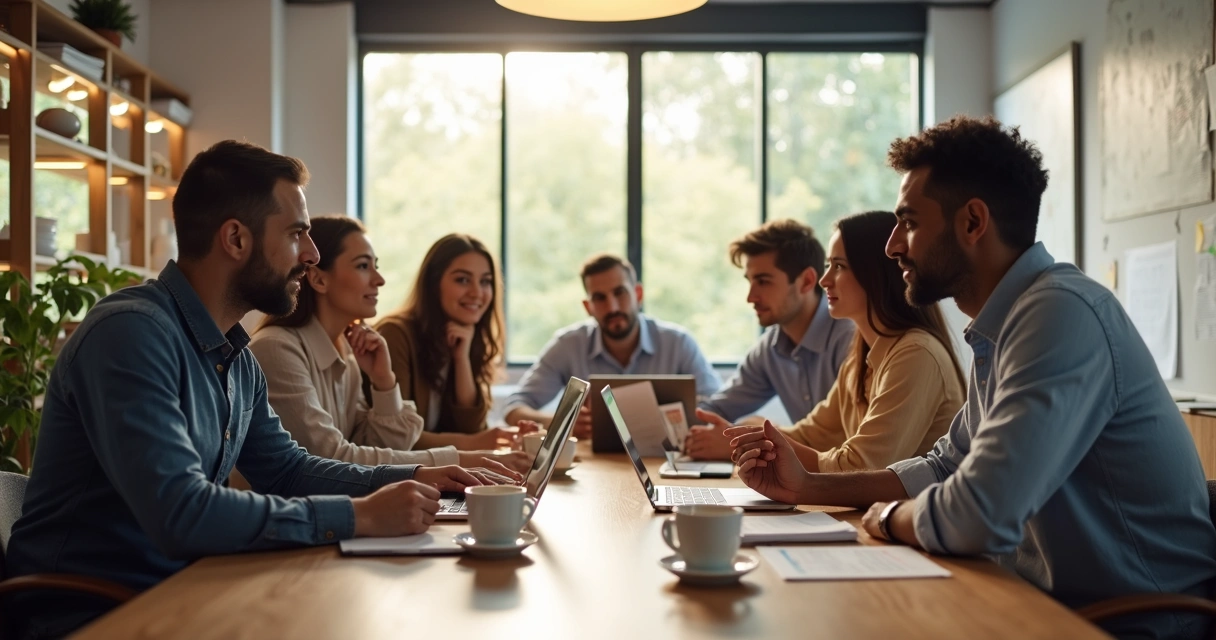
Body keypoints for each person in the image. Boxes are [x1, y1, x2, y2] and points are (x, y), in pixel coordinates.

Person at [729, 116, 1216, 639]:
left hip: (1136, 625)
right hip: (1049, 607)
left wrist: (889, 517)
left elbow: (980, 511)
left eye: (909, 223)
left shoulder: (1059, 315)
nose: (894, 247)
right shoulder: (1003, 327)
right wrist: (811, 486)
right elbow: (946, 465)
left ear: (973, 222)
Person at [3, 141, 506, 639]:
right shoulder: (130, 334)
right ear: (236, 240)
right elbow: (182, 512)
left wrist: (420, 474)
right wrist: (358, 514)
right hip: (89, 614)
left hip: (179, 590)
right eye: (296, 235)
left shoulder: (235, 357)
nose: (311, 257)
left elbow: (287, 468)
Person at [250, 215, 531, 475]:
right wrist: (465, 459)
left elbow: (380, 446)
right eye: (363, 266)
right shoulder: (277, 348)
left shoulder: (347, 352)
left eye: (376, 266)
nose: (380, 279)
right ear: (318, 278)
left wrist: (384, 381)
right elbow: (332, 458)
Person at [747, 210, 964, 472]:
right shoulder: (862, 355)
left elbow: (862, 466)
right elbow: (811, 434)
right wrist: (750, 439)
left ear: (875, 273)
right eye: (829, 265)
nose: (824, 280)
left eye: (839, 266)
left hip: (917, 512)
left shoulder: (916, 354)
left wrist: (767, 445)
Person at [687, 219, 855, 460]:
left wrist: (746, 441)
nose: (750, 297)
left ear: (807, 281)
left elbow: (853, 444)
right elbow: (716, 409)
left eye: (763, 282)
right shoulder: (770, 348)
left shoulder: (850, 337)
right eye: (750, 281)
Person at [502, 254, 720, 438]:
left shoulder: (678, 343)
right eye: (600, 298)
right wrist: (561, 422)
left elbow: (717, 405)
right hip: (593, 469)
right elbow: (514, 407)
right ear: (588, 307)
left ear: (638, 294)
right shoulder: (568, 346)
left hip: (668, 461)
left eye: (620, 293)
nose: (612, 306)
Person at [375, 234, 520, 450]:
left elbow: (472, 426)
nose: (477, 293)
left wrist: (461, 359)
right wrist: (474, 442)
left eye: (485, 281)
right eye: (462, 280)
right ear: (434, 284)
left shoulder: (465, 336)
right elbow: (396, 438)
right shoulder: (395, 335)